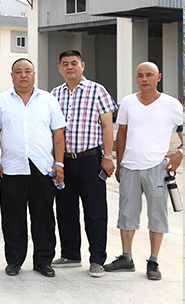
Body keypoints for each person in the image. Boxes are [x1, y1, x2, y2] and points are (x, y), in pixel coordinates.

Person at [104, 62, 183, 280]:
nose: (144, 79)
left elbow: (182, 129)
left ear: (159, 77)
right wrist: (120, 163)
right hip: (130, 167)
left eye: (149, 75)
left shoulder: (171, 104)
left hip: (157, 167)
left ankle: (153, 261)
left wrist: (180, 152)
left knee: (157, 214)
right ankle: (126, 258)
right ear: (136, 78)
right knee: (127, 213)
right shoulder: (128, 102)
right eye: (140, 75)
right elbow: (121, 133)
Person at [0, 58, 66, 278]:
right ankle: (14, 261)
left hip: (42, 168)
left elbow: (58, 134)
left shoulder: (48, 100)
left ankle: (43, 261)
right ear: (12, 75)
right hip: (11, 168)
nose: (23, 75)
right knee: (13, 218)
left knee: (43, 217)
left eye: (27, 71)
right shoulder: (0, 101)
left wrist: (59, 163)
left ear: (34, 74)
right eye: (18, 71)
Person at [50, 50, 117, 277]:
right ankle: (70, 254)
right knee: (65, 210)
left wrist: (108, 157)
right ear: (60, 68)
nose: (70, 67)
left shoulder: (97, 90)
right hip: (64, 162)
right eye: (65, 64)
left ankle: (97, 259)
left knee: (95, 212)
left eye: (74, 63)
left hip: (90, 161)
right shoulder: (54, 94)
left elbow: (107, 126)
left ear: (82, 66)